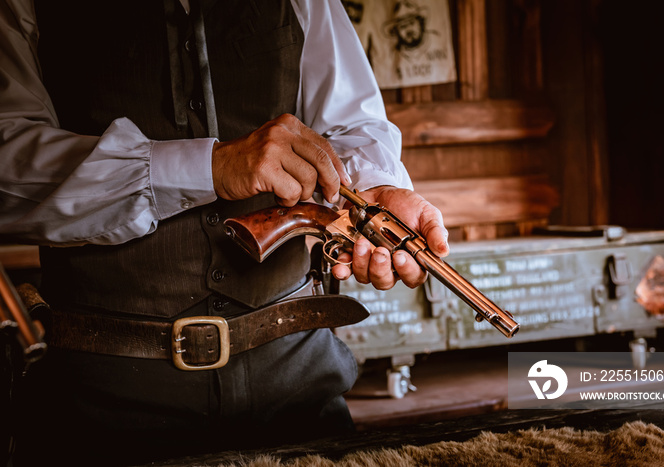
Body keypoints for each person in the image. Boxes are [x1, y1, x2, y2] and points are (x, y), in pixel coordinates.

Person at [0, 0, 449, 465]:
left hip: (297, 379)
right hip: (99, 400)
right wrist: (208, 167)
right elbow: (6, 163)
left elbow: (353, 124)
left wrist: (377, 186)